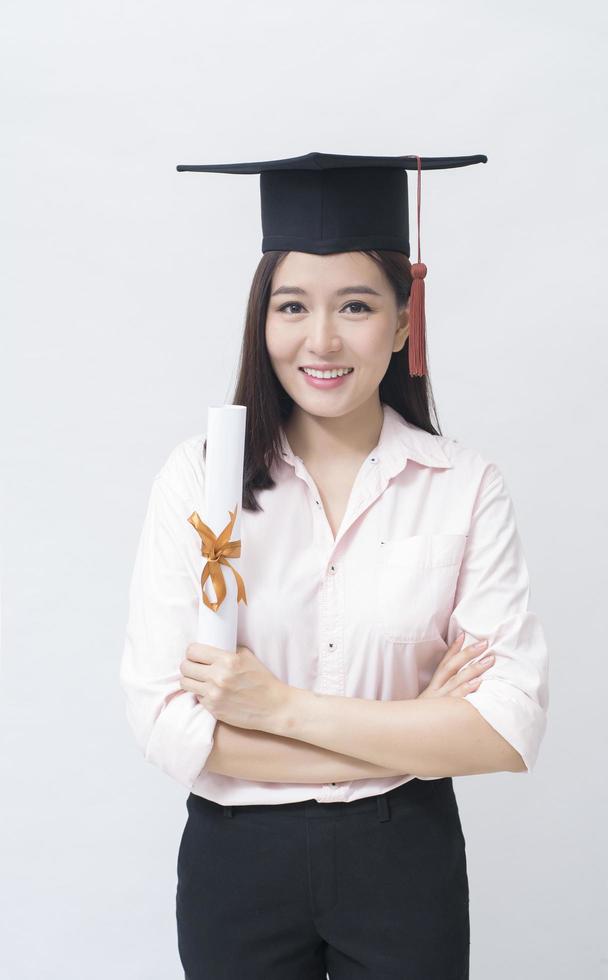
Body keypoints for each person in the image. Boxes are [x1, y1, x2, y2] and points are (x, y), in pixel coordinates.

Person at [119, 152, 549, 980]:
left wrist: (275, 707)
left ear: (401, 322)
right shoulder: (198, 481)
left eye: (355, 306)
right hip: (236, 864)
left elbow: (502, 728)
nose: (321, 340)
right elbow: (172, 722)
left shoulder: (462, 488)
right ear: (263, 321)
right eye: (293, 306)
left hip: (403, 860)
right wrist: (411, 736)